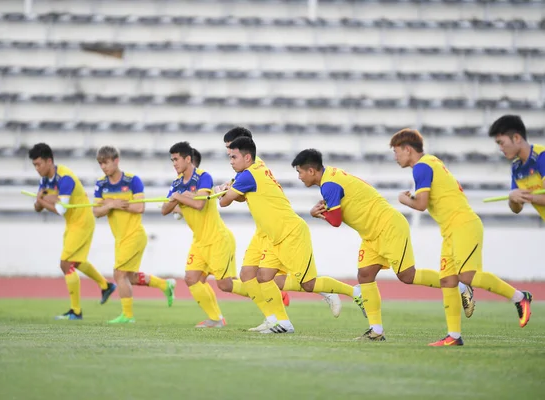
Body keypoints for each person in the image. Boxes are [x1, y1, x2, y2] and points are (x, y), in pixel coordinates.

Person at [291, 149, 476, 341]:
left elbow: (336, 220)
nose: (299, 177)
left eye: (300, 172)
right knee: (365, 275)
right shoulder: (331, 177)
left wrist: (317, 214)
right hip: (371, 234)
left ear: (311, 171)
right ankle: (376, 331)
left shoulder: (329, 184)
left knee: (407, 275)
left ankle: (461, 287)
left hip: (388, 226)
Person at [391, 128, 533, 346]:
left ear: (408, 149)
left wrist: (403, 199)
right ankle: (454, 336)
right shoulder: (431, 162)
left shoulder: (421, 167)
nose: (395, 156)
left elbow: (420, 205)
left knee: (467, 277)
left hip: (463, 225)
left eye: (396, 151)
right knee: (448, 280)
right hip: (451, 229)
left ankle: (520, 297)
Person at [221, 127, 359, 332]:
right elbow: (242, 195)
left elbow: (226, 201)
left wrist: (222, 190)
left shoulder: (249, 172)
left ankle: (338, 292)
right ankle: (275, 319)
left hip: (279, 229)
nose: (229, 157)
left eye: (231, 153)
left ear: (246, 152)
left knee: (302, 282)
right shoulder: (250, 169)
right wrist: (230, 187)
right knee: (250, 275)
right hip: (266, 229)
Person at [161, 142, 249, 328]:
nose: (174, 163)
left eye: (176, 159)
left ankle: (267, 292)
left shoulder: (203, 177)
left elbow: (199, 204)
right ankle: (216, 319)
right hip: (200, 241)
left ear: (187, 159)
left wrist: (178, 198)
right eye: (172, 160)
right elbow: (164, 209)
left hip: (217, 239)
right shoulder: (176, 184)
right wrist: (177, 199)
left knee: (225, 285)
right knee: (192, 279)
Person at [28, 143, 116, 320]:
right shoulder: (45, 179)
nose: (37, 168)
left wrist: (42, 200)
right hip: (73, 223)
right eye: (34, 165)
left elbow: (61, 209)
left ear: (49, 161)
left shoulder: (65, 177)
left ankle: (76, 311)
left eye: (38, 164)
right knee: (76, 262)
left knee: (65, 263)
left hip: (82, 221)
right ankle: (106, 286)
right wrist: (40, 202)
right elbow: (38, 206)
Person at [93, 146, 176, 324]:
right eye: (100, 164)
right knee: (128, 277)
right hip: (120, 239)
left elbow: (140, 207)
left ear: (116, 161)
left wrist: (113, 204)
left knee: (119, 275)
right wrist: (110, 205)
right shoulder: (101, 184)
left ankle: (128, 316)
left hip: (134, 235)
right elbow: (96, 211)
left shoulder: (132, 181)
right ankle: (164, 285)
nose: (103, 167)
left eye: (106, 163)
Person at [488, 114, 545, 220]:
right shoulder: (516, 167)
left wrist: (527, 197)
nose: (500, 148)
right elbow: (516, 209)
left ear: (516, 138)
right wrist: (513, 198)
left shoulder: (542, 156)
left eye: (501, 143)